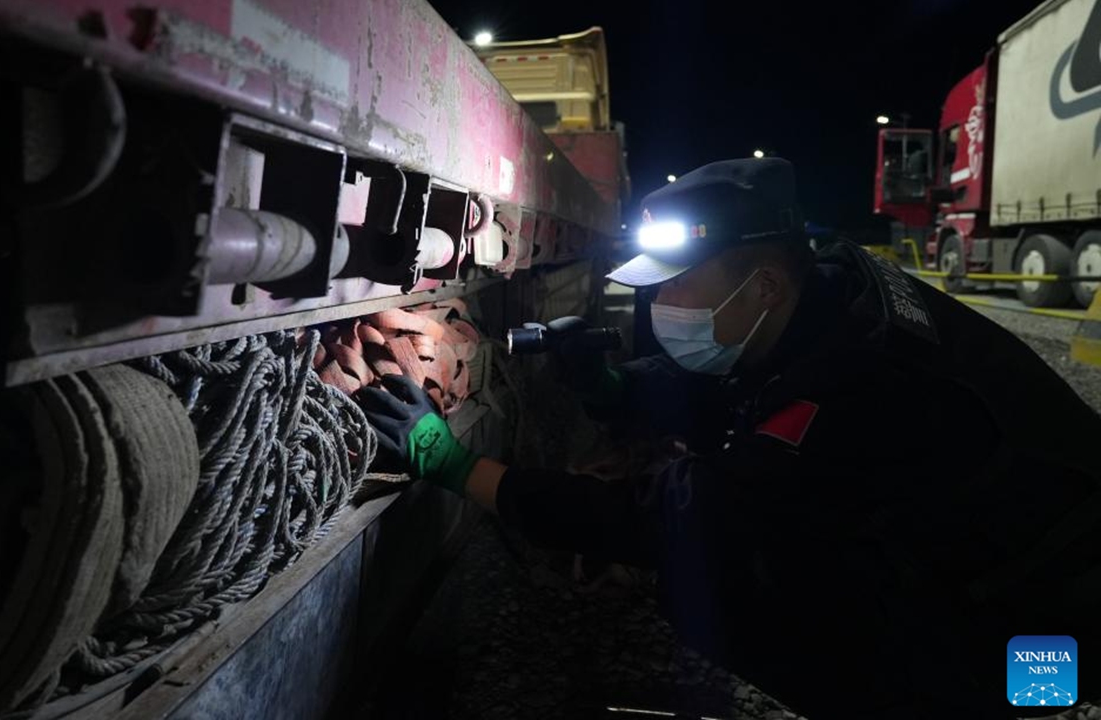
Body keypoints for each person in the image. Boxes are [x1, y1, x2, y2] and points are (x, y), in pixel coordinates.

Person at [356, 157, 1101, 719]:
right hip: (1025, 584)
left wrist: (453, 465)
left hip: (1042, 648)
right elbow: (746, 388)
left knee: (712, 578)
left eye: (677, 284)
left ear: (766, 284)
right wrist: (615, 389)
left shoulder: (857, 391)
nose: (657, 303)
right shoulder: (834, 296)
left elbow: (661, 515)